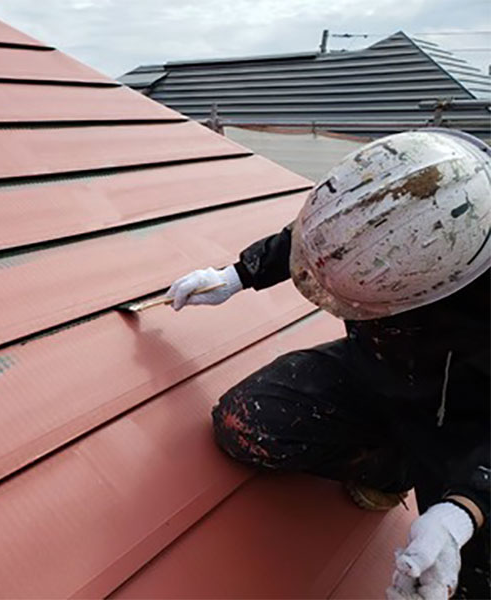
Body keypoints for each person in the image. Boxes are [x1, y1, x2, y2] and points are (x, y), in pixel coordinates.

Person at [166, 129, 490, 600]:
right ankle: (390, 466)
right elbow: (335, 238)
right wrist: (240, 274)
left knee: (460, 582)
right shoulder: (418, 179)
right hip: (378, 370)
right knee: (249, 423)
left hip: (468, 427)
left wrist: (464, 508)